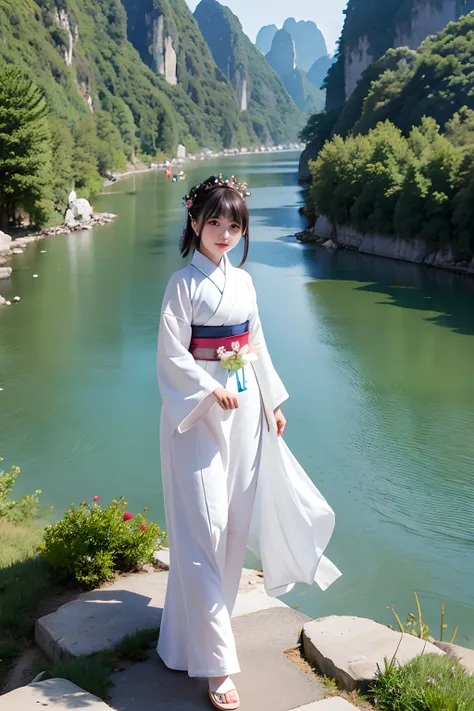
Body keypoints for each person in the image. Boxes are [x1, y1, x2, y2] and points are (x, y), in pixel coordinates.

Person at [156, 175, 341, 710]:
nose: (223, 232)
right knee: (201, 531)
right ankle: (217, 666)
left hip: (244, 417)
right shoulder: (181, 286)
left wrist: (272, 403)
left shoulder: (244, 282)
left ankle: (183, 641)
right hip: (197, 420)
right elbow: (171, 357)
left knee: (233, 528)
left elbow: (255, 343)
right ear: (193, 222)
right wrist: (209, 388)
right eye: (213, 221)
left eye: (233, 224)